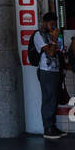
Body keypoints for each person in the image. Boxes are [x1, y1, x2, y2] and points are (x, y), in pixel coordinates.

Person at [32, 11, 65, 139]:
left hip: (56, 70)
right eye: (51, 24)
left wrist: (57, 39)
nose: (53, 26)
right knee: (48, 98)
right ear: (45, 23)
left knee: (54, 98)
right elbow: (50, 53)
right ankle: (48, 128)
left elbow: (60, 50)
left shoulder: (53, 34)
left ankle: (53, 125)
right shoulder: (38, 35)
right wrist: (55, 40)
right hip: (46, 70)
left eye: (55, 24)